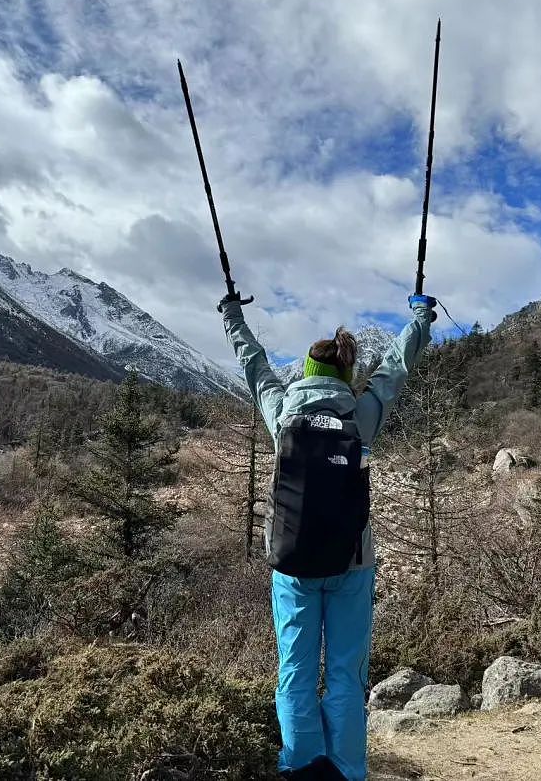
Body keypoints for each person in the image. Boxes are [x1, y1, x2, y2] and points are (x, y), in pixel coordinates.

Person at [219, 293, 437, 781]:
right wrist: (421, 316)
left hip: (292, 564)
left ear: (305, 373)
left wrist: (231, 314)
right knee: (345, 673)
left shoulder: (282, 414)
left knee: (295, 671)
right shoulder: (359, 416)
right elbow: (397, 366)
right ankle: (346, 770)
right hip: (352, 563)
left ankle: (300, 763)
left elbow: (252, 363)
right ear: (344, 375)